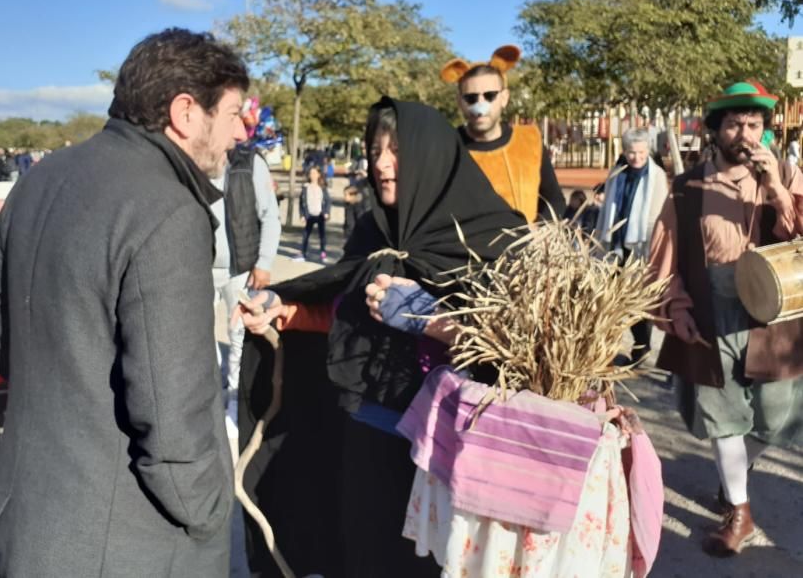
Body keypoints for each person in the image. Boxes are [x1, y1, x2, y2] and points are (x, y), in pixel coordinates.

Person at [0, 28, 248, 576]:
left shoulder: (43, 175)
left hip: (23, 509)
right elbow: (173, 416)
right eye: (235, 113)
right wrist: (210, 510)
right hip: (119, 539)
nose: (242, 132)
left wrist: (62, 393)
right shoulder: (168, 211)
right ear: (186, 112)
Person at [235, 98, 525, 577]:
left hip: (449, 444)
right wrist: (283, 312)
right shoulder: (373, 229)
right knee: (366, 549)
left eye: (396, 151)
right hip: (368, 426)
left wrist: (432, 320)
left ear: (431, 155)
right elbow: (342, 313)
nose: (382, 163)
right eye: (375, 150)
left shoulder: (492, 236)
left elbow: (521, 345)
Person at [649, 80, 803, 558]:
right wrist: (676, 307)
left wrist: (777, 190)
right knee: (722, 418)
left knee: (776, 419)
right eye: (735, 123)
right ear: (715, 130)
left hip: (773, 311)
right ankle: (740, 511)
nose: (746, 133)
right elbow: (663, 258)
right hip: (711, 309)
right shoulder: (685, 186)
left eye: (755, 124)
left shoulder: (787, 174)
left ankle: (735, 472)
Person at [440, 45, 566, 221]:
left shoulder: (530, 139)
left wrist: (538, 236)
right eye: (471, 98)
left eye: (490, 96)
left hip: (527, 246)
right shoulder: (444, 148)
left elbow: (555, 201)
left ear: (504, 98)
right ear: (460, 102)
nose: (480, 105)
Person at [210, 137, 281, 435]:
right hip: (198, 267)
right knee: (197, 335)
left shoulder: (249, 162)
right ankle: (211, 395)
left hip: (241, 268)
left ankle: (234, 400)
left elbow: (269, 215)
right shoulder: (190, 157)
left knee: (238, 334)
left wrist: (264, 262)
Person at [596, 127, 668, 365]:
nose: (635, 157)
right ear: (624, 151)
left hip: (640, 246)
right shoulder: (617, 172)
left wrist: (652, 251)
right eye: (631, 152)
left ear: (648, 151)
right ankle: (607, 347)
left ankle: (641, 347)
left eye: (640, 152)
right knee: (611, 299)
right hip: (615, 244)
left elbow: (658, 215)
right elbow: (607, 209)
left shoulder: (656, 176)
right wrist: (600, 238)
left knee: (638, 301)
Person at [295, 165, 330, 262]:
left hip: (320, 214)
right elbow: (301, 203)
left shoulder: (322, 187)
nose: (312, 175)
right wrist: (302, 215)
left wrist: (326, 212)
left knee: (322, 235)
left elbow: (327, 201)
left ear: (319, 174)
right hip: (309, 215)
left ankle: (323, 252)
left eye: (314, 173)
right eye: (311, 173)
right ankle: (303, 253)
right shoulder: (305, 187)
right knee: (305, 235)